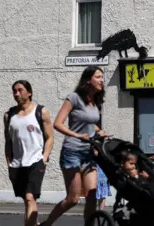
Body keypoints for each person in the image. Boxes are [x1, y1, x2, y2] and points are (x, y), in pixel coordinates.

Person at [42, 66, 107, 226]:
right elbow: (58, 123)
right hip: (72, 152)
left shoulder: (95, 102)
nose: (102, 80)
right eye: (98, 77)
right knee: (73, 199)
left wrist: (100, 131)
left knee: (92, 195)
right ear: (88, 80)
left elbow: (90, 125)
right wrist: (77, 135)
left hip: (88, 153)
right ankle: (47, 223)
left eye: (102, 77)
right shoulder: (74, 98)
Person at [4, 80, 54, 226]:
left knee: (30, 197)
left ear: (29, 92)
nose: (16, 93)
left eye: (20, 90)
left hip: (36, 161)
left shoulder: (41, 111)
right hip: (17, 164)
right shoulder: (9, 115)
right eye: (14, 91)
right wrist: (9, 162)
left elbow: (50, 137)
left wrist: (44, 157)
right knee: (27, 201)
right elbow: (8, 141)